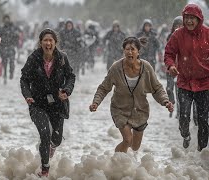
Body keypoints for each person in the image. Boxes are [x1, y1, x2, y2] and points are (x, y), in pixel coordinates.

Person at [89, 37, 173, 153]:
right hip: (120, 109)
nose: (130, 52)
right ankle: (115, 162)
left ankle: (126, 163)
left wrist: (165, 101)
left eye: (133, 49)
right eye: (127, 49)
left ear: (138, 51)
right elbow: (104, 88)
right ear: (123, 51)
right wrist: (96, 102)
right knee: (127, 140)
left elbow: (157, 88)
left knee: (135, 146)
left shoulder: (146, 68)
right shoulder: (116, 68)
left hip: (140, 111)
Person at [20, 28, 76, 177]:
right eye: (45, 40)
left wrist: (66, 90)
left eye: (51, 40)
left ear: (55, 43)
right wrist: (27, 95)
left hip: (57, 104)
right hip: (37, 103)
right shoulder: (34, 58)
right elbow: (24, 79)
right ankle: (45, 170)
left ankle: (51, 146)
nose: (48, 43)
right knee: (44, 133)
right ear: (40, 43)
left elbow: (71, 76)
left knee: (56, 140)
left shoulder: (62, 58)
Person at [164, 4, 209, 151]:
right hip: (184, 83)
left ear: (199, 19)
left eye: (192, 18)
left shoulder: (207, 33)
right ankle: (186, 135)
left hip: (204, 84)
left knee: (203, 120)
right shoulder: (177, 35)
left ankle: (202, 151)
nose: (189, 21)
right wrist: (170, 66)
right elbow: (169, 53)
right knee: (183, 117)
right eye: (187, 18)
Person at [0, 15, 20, 84]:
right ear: (3, 20)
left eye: (7, 19)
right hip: (3, 48)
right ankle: (5, 76)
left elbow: (17, 36)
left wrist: (16, 44)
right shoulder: (1, 28)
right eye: (5, 19)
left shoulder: (13, 28)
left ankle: (11, 73)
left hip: (11, 47)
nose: (6, 21)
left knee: (12, 62)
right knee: (4, 64)